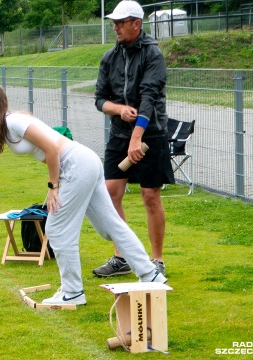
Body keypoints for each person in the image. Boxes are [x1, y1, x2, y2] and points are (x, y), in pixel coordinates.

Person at [0, 84, 167, 306]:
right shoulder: (2, 128)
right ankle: (151, 275)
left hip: (76, 165)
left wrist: (54, 186)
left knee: (57, 229)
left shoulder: (15, 121)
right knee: (111, 225)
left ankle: (72, 292)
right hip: (82, 163)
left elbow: (52, 149)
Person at [93, 0, 174, 278]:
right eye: (113, 22)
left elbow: (150, 97)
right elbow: (99, 100)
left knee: (150, 196)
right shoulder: (109, 57)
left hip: (150, 134)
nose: (115, 27)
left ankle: (157, 260)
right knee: (110, 194)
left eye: (120, 22)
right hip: (119, 135)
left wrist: (137, 136)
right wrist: (118, 110)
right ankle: (122, 256)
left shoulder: (153, 55)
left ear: (136, 24)